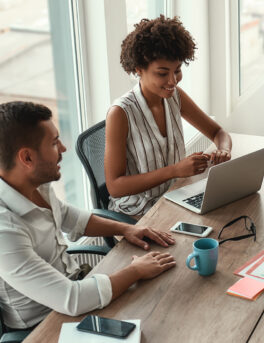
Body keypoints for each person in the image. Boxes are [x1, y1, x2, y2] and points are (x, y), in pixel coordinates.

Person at [0, 101, 176, 330]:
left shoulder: (35, 186)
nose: (63, 148)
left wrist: (126, 229)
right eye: (54, 143)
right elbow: (72, 300)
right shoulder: (5, 231)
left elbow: (70, 217)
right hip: (44, 325)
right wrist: (136, 271)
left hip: (74, 290)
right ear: (27, 158)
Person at [105, 15, 232, 217]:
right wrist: (174, 170)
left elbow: (218, 132)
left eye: (178, 70)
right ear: (139, 69)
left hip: (175, 195)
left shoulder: (175, 97)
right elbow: (115, 187)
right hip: (137, 211)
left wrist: (223, 150)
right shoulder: (121, 113)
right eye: (163, 73)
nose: (173, 81)